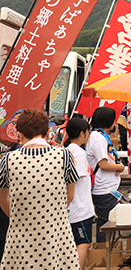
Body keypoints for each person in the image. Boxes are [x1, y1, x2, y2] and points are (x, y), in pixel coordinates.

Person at [0, 108, 80, 269]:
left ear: (19, 134)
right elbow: (70, 196)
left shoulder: (7, 160)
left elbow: (3, 200)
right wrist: (50, 216)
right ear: (46, 133)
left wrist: (21, 217)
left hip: (20, 240)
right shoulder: (64, 156)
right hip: (57, 238)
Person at [87, 106, 125, 243]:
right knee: (106, 225)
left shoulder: (102, 136)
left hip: (109, 188)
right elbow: (103, 164)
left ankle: (108, 256)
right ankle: (104, 256)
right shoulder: (98, 138)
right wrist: (120, 167)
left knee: (111, 223)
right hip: (103, 189)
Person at [65, 118, 95, 270]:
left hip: (71, 209)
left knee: (71, 246)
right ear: (82, 133)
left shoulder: (64, 151)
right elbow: (75, 178)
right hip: (80, 209)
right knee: (83, 244)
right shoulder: (79, 153)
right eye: (88, 132)